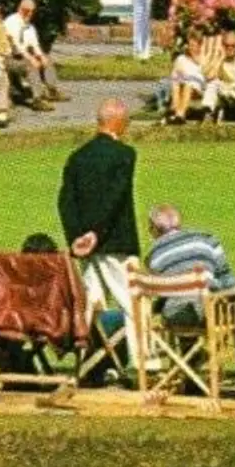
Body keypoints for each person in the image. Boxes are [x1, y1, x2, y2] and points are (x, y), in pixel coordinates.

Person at [59, 97, 140, 323]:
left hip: (84, 246)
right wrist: (96, 232)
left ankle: (85, 346)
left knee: (89, 305)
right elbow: (115, 198)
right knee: (131, 303)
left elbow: (66, 201)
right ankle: (139, 348)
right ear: (118, 122)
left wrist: (77, 236)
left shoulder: (77, 157)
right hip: (115, 242)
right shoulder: (125, 154)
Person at [143, 204, 235, 323]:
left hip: (178, 313)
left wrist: (155, 309)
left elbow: (162, 293)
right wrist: (234, 302)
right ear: (179, 223)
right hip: (213, 306)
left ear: (154, 229)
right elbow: (226, 276)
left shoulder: (153, 255)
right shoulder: (207, 239)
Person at [6, 0, 66, 107]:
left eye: (32, 11)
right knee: (31, 65)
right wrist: (31, 59)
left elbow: (35, 45)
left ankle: (52, 90)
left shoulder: (30, 27)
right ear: (19, 8)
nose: (29, 14)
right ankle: (37, 99)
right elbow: (16, 46)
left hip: (23, 57)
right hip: (10, 58)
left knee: (47, 59)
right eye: (26, 11)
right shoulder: (11, 22)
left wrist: (41, 56)